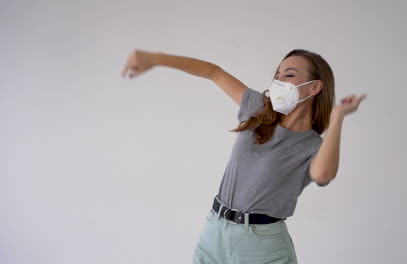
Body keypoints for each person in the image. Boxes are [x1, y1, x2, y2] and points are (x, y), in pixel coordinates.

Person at [121, 49, 367, 263]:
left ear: (314, 87)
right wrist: (155, 58)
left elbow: (322, 174)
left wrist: (337, 118)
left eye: (289, 75)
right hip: (215, 231)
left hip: (262, 246)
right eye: (277, 75)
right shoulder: (258, 109)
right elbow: (213, 72)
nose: (278, 81)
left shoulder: (313, 146)